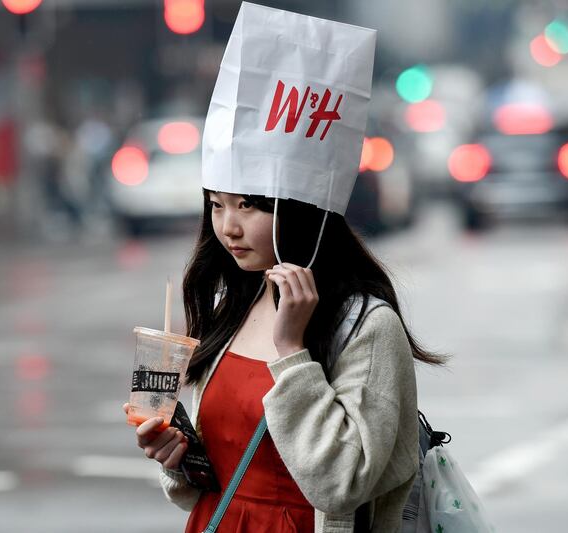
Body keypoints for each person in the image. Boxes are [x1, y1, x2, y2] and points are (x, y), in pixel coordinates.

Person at [123, 188, 445, 532]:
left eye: (246, 206)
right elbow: (217, 478)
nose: (229, 227)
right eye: (217, 205)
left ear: (301, 210)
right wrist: (177, 457)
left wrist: (292, 351)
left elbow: (342, 484)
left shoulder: (366, 325)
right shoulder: (231, 306)